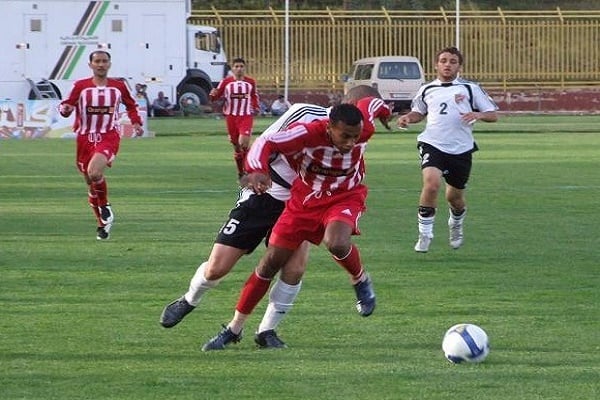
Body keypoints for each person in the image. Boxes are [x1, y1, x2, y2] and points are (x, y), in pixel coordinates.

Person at [159, 86, 391, 350]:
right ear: (347, 104)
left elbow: (373, 105)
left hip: (305, 200)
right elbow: (266, 143)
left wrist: (388, 111)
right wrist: (255, 171)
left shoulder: (357, 126)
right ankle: (189, 299)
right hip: (267, 194)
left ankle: (266, 330)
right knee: (218, 267)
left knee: (293, 269)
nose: (352, 140)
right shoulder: (304, 116)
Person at [397, 46, 498, 253]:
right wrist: (408, 118)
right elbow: (419, 112)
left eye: (452, 61)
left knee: (454, 198)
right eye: (443, 60)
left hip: (461, 149)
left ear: (459, 66)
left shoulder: (470, 88)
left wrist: (477, 115)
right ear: (436, 64)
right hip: (432, 143)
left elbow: (492, 114)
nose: (447, 65)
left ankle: (456, 223)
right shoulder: (427, 89)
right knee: (431, 184)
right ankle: (425, 234)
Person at [59, 50, 143, 240]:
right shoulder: (80, 86)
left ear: (109, 64)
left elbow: (131, 105)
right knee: (90, 183)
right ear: (90, 65)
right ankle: (102, 225)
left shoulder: (118, 86)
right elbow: (66, 105)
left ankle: (105, 206)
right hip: (84, 139)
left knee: (95, 172)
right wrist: (65, 110)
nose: (101, 64)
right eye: (97, 61)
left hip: (108, 136)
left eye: (104, 61)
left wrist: (136, 122)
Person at [209, 57, 260, 179]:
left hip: (246, 116)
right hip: (231, 117)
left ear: (245, 68)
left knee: (244, 143)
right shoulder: (226, 82)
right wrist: (212, 95)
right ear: (232, 68)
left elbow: (254, 96)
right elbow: (216, 96)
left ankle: (249, 169)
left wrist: (256, 107)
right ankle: (241, 172)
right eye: (236, 66)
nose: (239, 69)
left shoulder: (250, 82)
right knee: (237, 147)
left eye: (241, 66)